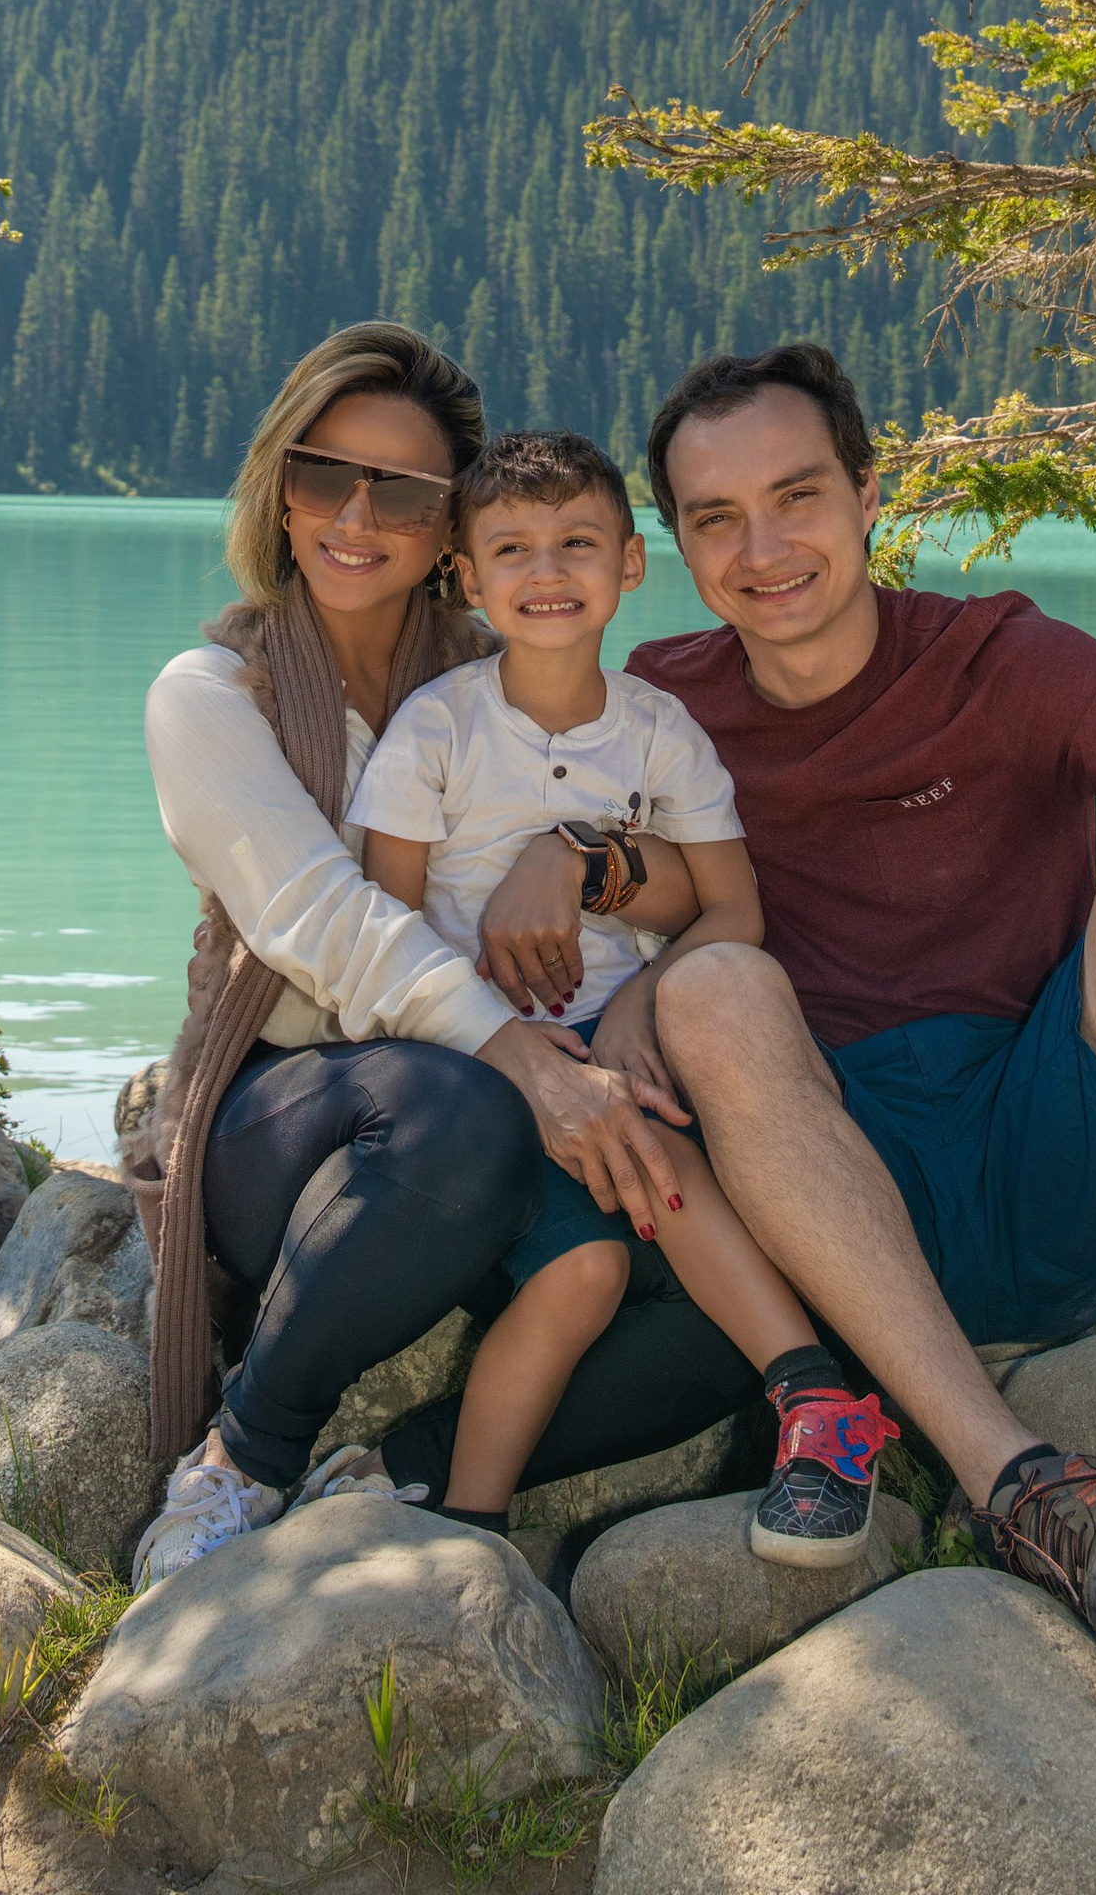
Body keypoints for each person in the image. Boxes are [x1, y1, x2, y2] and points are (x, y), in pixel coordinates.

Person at [475, 339, 1096, 1678]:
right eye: (717, 517)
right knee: (710, 983)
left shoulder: (999, 658)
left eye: (798, 496)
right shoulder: (669, 700)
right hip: (832, 1204)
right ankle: (1021, 1487)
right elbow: (660, 896)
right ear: (678, 541)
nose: (764, 547)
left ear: (870, 491)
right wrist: (630, 950)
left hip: (1044, 1157)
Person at [124, 322, 742, 1590]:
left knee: (728, 1270)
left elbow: (681, 883)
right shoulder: (210, 694)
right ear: (276, 492)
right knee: (459, 1107)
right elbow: (327, 927)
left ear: (448, 527)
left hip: (511, 1082)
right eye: (321, 476)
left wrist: (581, 856)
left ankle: (409, 1462)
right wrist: (532, 1063)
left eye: (402, 492)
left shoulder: (495, 677)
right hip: (297, 1111)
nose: (357, 516)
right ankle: (243, 1459)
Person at [349, 429, 899, 1564]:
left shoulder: (658, 730)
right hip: (468, 1054)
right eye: (510, 549)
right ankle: (474, 1528)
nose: (546, 574)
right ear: (465, 575)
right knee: (592, 1262)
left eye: (576, 544)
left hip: (611, 1032)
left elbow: (733, 910)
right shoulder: (439, 729)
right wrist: (499, 1046)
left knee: (668, 1158)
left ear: (630, 564)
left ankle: (813, 1404)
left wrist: (647, 1000)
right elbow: (383, 926)